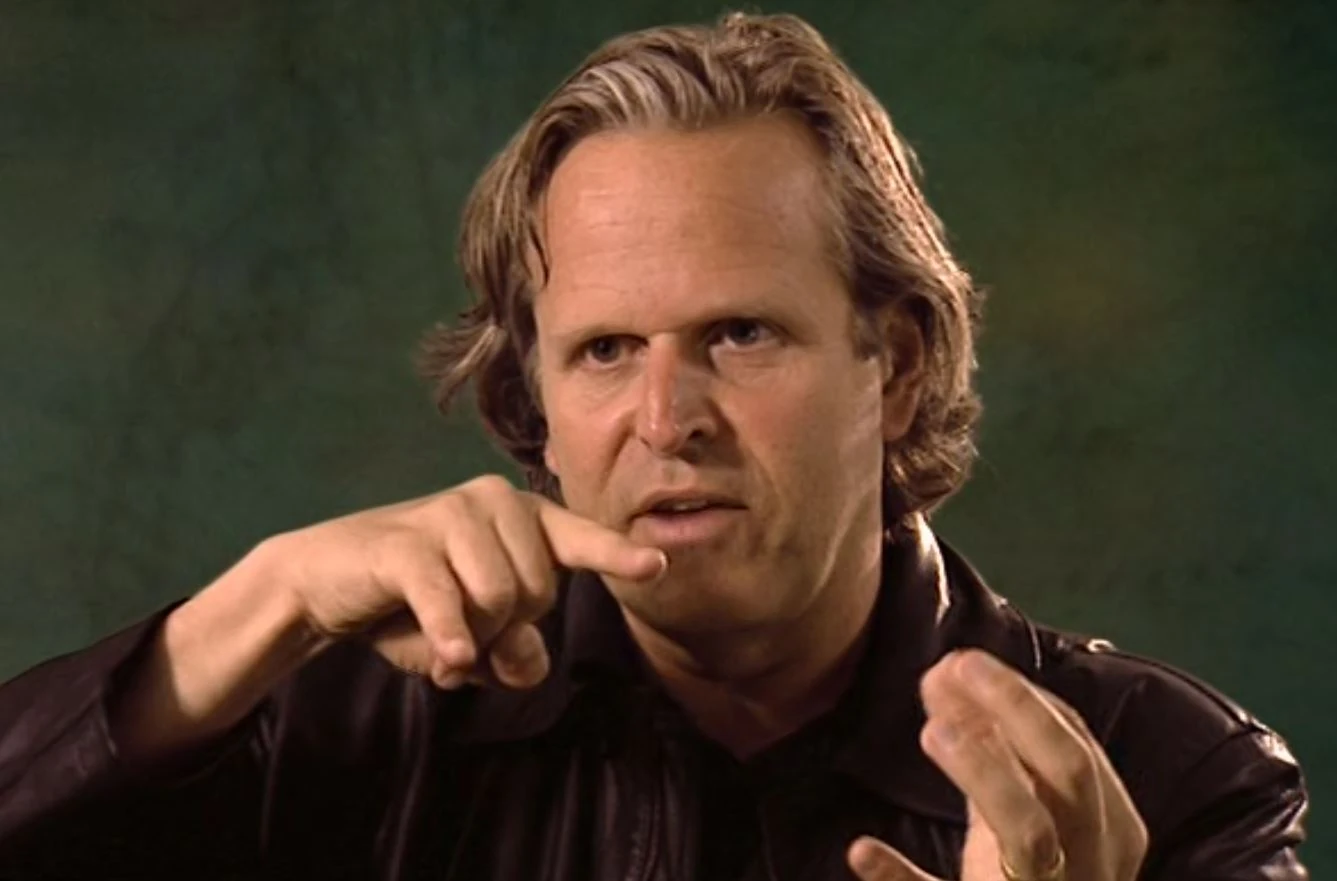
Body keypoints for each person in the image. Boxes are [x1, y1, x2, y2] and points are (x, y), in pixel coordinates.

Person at [0, 11, 1308, 881]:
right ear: (537, 399)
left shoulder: (1168, 778)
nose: (666, 416)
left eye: (740, 334)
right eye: (605, 351)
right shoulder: (346, 737)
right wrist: (256, 602)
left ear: (898, 367)